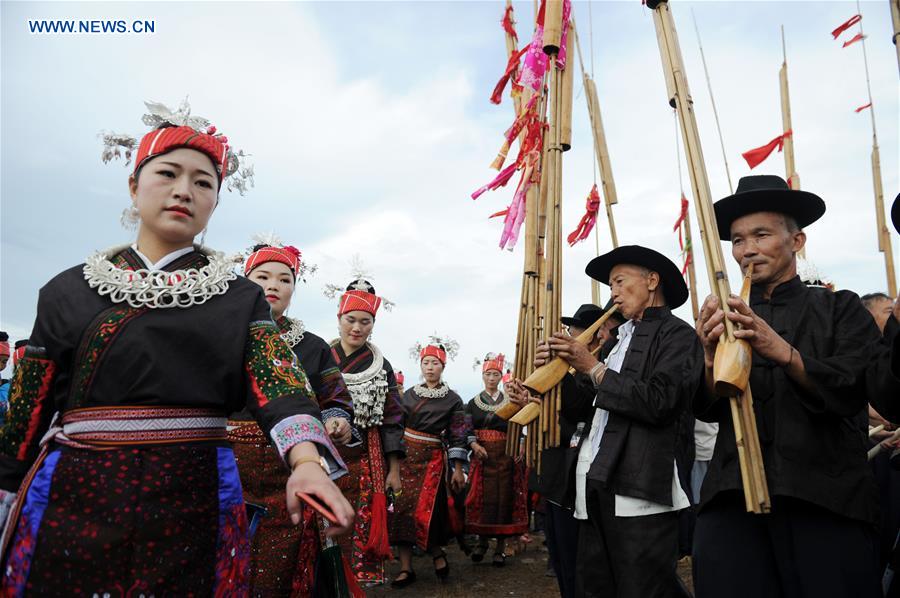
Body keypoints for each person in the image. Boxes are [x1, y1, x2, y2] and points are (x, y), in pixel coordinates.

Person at [0, 102, 353, 595]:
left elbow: (279, 383)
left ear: (214, 203)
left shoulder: (238, 297)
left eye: (204, 182)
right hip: (75, 494)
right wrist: (7, 488)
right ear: (133, 185)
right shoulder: (65, 292)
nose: (184, 190)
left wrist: (307, 464)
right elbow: (26, 411)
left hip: (196, 496)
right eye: (168, 173)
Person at [693, 175, 882, 598]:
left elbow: (854, 385)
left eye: (761, 234)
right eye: (738, 240)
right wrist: (709, 356)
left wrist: (781, 351)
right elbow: (704, 407)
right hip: (731, 497)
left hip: (825, 499)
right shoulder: (723, 315)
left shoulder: (840, 308)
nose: (748, 250)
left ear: (796, 241)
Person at [525, 246, 701, 598]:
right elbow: (583, 410)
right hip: (597, 479)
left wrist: (591, 366)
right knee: (597, 584)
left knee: (645, 586)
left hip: (642, 485)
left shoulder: (678, 335)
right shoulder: (617, 341)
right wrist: (558, 372)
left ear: (652, 281)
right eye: (610, 286)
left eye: (619, 282)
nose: (613, 294)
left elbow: (660, 402)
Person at [229, 238, 355, 596]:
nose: (273, 285)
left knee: (281, 562)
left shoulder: (313, 347)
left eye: (285, 279)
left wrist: (337, 420)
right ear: (244, 280)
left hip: (292, 466)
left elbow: (335, 397)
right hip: (228, 468)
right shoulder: (223, 335)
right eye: (263, 276)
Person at [510, 302, 623, 598]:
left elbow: (577, 414)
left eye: (576, 331)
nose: (569, 336)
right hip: (554, 476)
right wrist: (530, 402)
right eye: (570, 330)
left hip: (576, 480)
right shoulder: (570, 372)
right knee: (561, 559)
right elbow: (554, 415)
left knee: (578, 564)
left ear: (596, 336)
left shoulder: (599, 370)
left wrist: (556, 376)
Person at [329, 279, 405, 587]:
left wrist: (394, 469)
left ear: (373, 324)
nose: (357, 328)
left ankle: (356, 582)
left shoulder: (381, 366)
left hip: (365, 458)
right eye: (351, 320)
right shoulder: (319, 356)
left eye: (365, 321)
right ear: (339, 318)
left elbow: (393, 418)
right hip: (323, 454)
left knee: (358, 521)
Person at [391, 339, 468, 587]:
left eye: (435, 363)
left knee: (430, 511)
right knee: (402, 510)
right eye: (426, 362)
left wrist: (457, 469)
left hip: (432, 461)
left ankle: (437, 553)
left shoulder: (453, 400)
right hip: (405, 459)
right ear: (421, 365)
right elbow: (396, 426)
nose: (430, 367)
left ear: (443, 366)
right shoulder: (409, 395)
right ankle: (405, 568)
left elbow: (458, 434)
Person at [464, 353, 528, 567]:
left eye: (496, 374)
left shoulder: (510, 402)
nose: (492, 378)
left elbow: (518, 424)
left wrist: (520, 443)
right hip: (483, 457)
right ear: (483, 376)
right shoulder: (472, 404)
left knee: (504, 499)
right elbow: (466, 429)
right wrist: (474, 445)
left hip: (506, 456)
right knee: (484, 500)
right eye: (488, 374)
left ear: (501, 377)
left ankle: (500, 549)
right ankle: (482, 543)